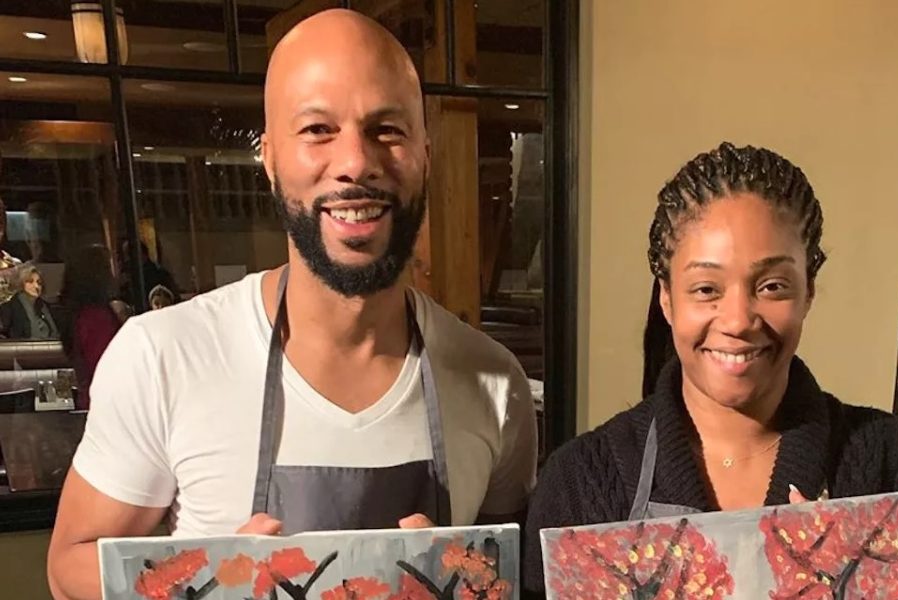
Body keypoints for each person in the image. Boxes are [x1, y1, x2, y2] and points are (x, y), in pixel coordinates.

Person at [47, 10, 537, 600]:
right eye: (317, 129)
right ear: (271, 157)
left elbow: (509, 576)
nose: (355, 162)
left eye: (387, 129)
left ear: (425, 154)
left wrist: (459, 584)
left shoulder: (495, 383)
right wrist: (207, 583)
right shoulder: (164, 356)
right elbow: (69, 566)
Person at [522, 142, 898, 598]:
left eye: (772, 286)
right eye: (706, 288)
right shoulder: (581, 483)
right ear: (667, 298)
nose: (738, 320)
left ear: (808, 291)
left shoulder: (888, 463)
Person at [58, 245, 122, 411]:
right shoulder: (96, 318)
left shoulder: (77, 313)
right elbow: (104, 366)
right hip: (108, 405)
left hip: (92, 401)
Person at [0, 265, 59, 339]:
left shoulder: (47, 307)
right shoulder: (9, 308)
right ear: (21, 284)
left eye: (39, 283)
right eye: (30, 282)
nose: (36, 286)